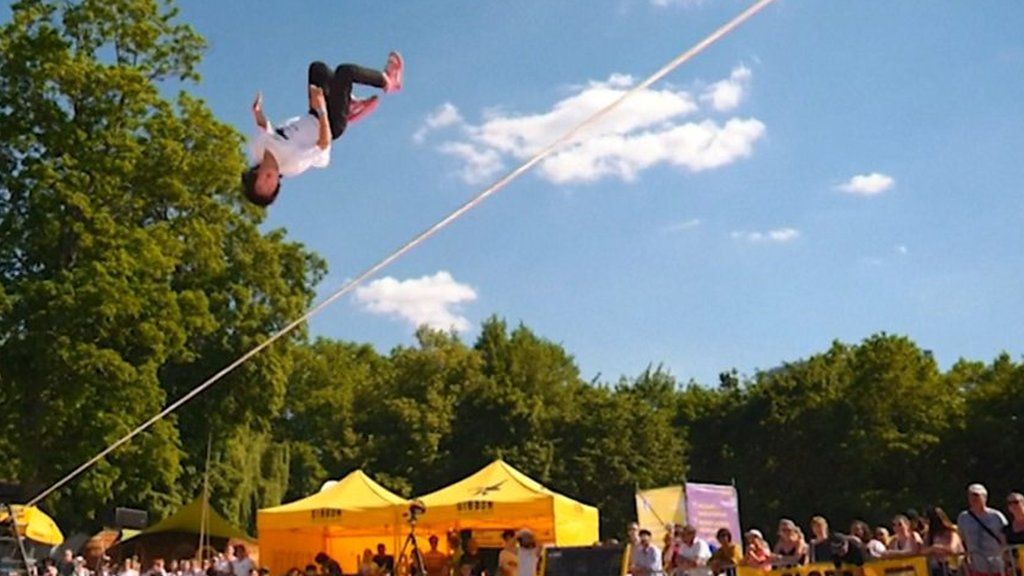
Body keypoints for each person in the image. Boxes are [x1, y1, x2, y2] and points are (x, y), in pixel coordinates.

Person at [241, 52, 403, 207]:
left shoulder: (256, 150)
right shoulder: (292, 165)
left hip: (313, 114)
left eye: (262, 185)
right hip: (330, 123)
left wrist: (257, 112)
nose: (270, 182)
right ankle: (388, 82)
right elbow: (323, 143)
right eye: (272, 187)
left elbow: (264, 129)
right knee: (345, 72)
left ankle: (348, 104)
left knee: (318, 69)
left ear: (255, 175)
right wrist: (321, 109)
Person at [957, 483, 1008, 576]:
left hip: (997, 565)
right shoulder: (963, 517)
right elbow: (962, 539)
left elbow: (1004, 539)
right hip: (976, 567)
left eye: (976, 495)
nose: (973, 498)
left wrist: (1007, 561)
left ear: (985, 497)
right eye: (970, 495)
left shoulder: (996, 516)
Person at [922, 507, 964, 576]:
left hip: (954, 568)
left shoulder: (952, 532)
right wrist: (932, 548)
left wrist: (937, 547)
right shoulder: (930, 535)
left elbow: (952, 548)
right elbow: (923, 551)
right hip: (938, 569)